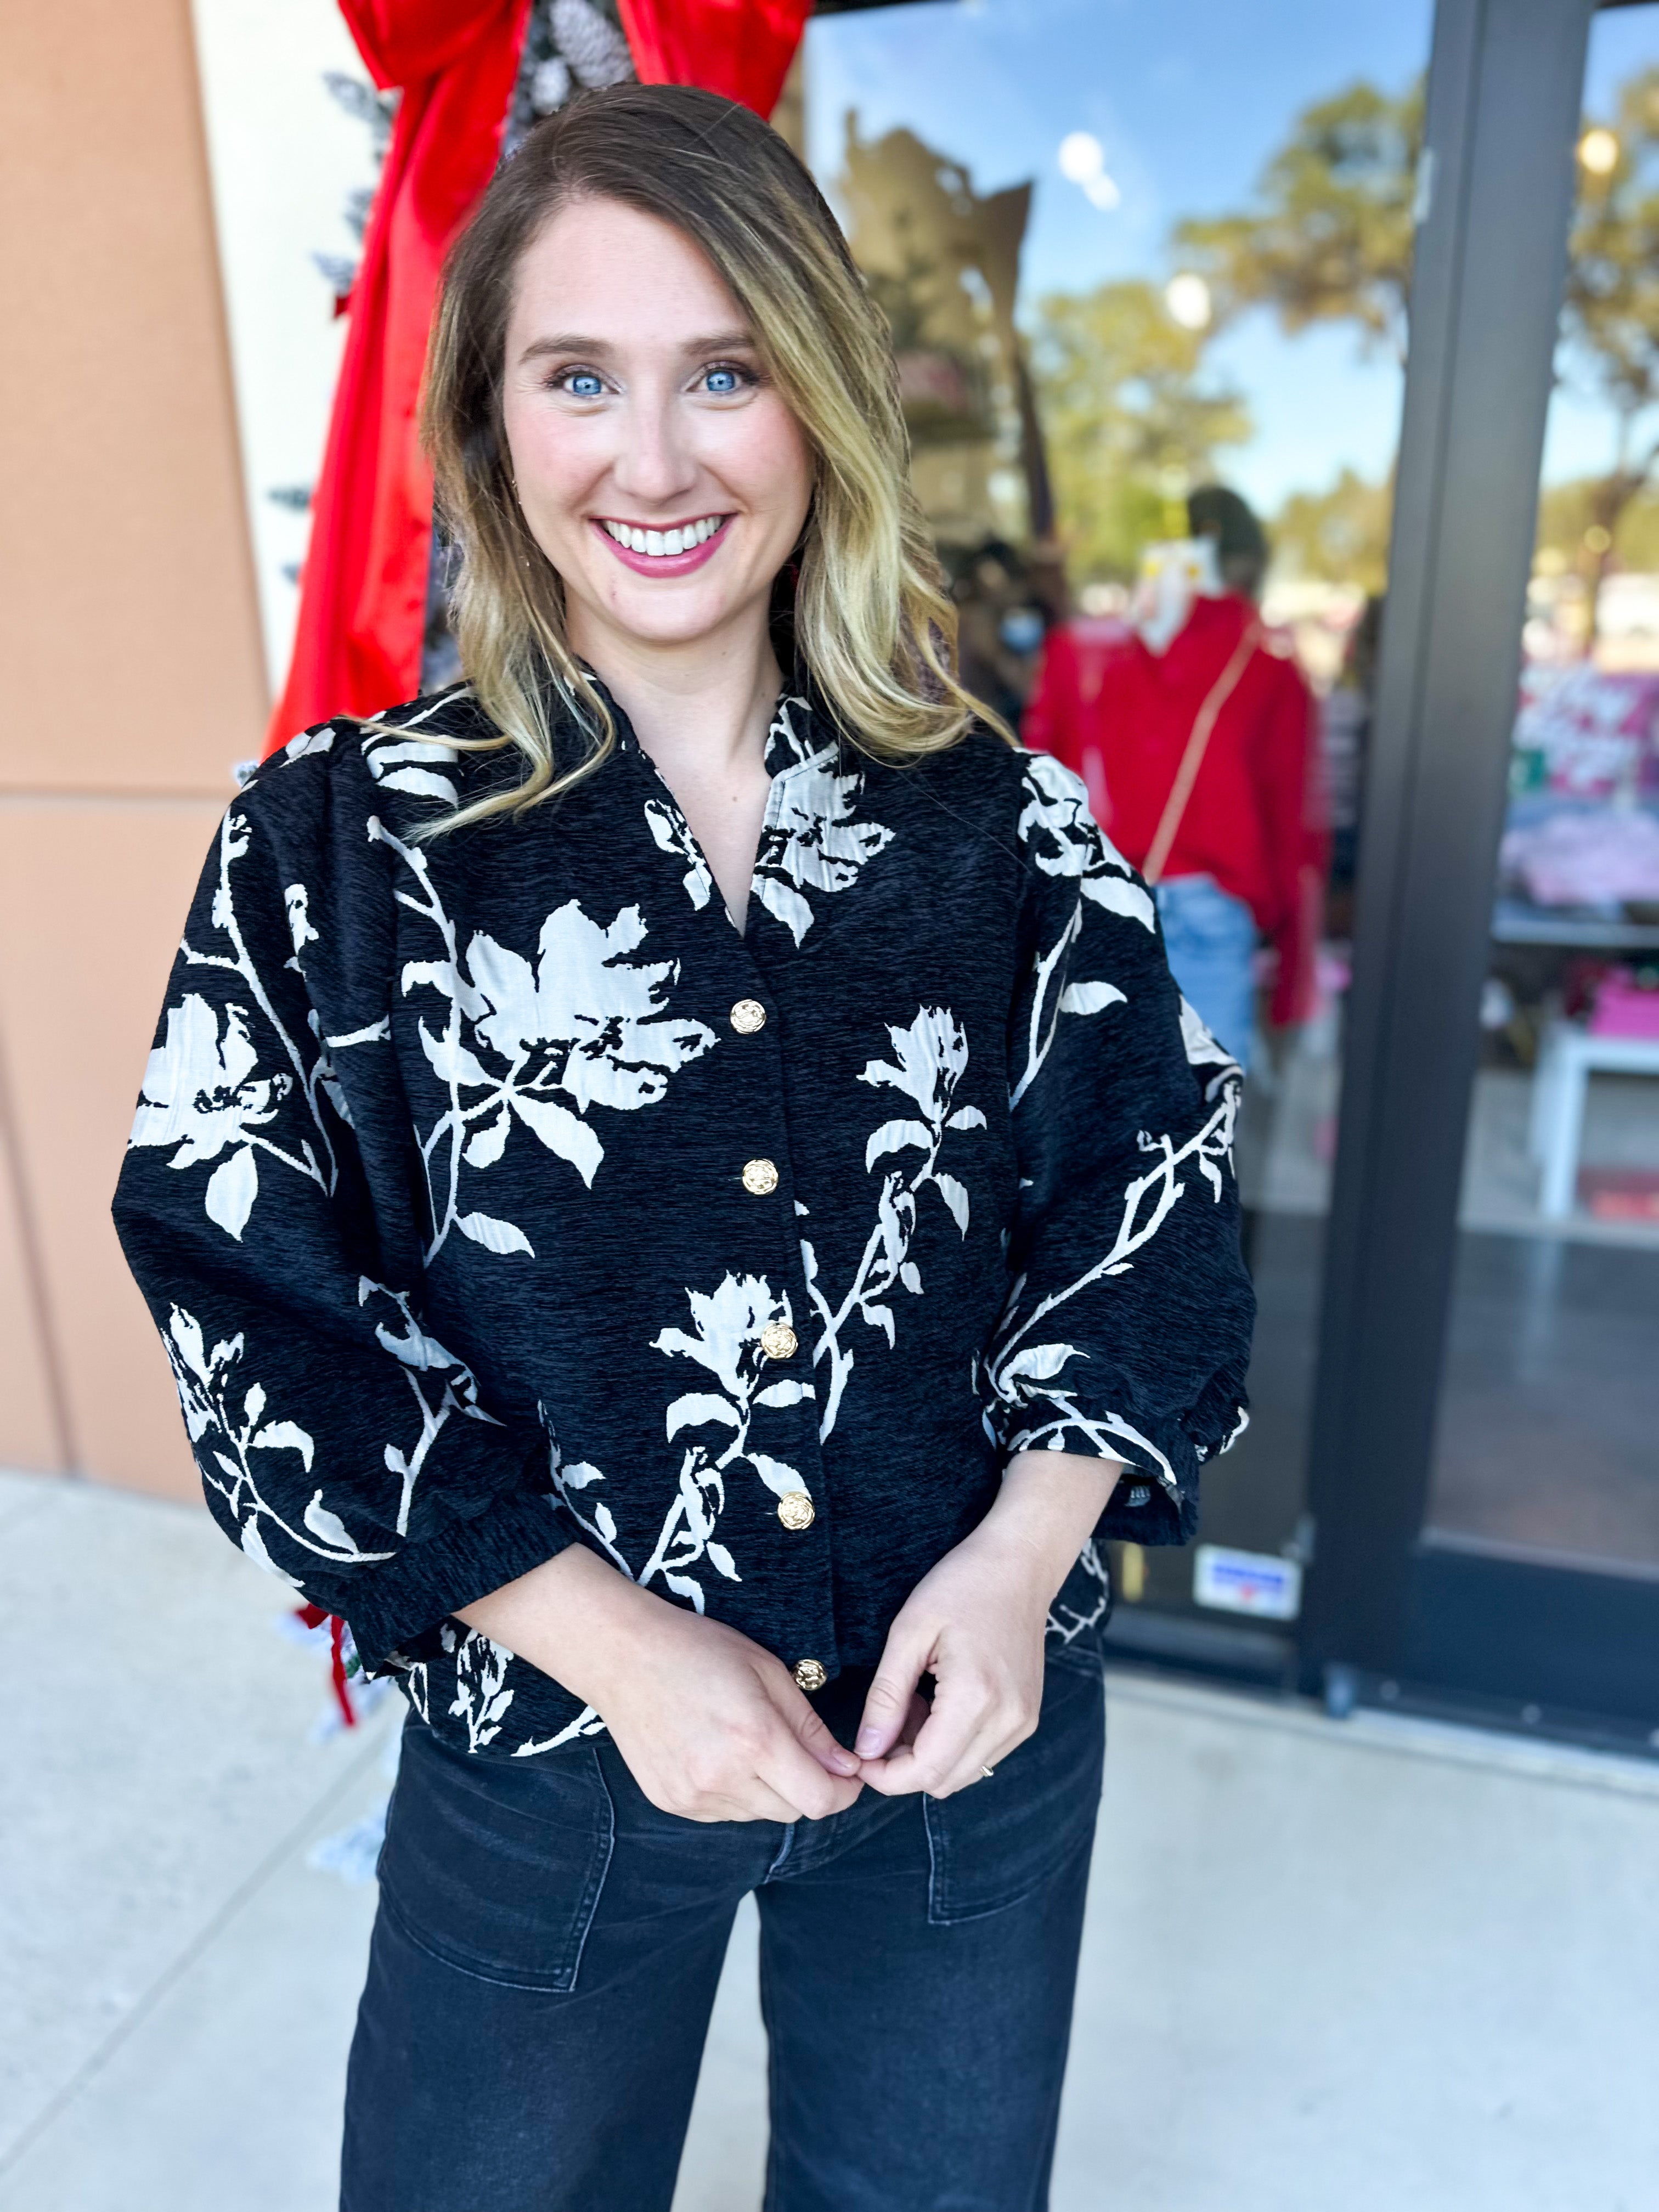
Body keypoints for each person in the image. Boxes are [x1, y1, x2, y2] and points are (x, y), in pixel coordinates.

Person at [114, 85, 1255, 2212]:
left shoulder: (1004, 830)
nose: (654, 459)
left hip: (965, 1761)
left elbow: (1157, 1197)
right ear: (491, 426)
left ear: (814, 402)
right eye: (581, 378)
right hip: (551, 1767)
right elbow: (246, 1302)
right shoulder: (331, 852)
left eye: (722, 371)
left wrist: (1022, 1563)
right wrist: (617, 1645)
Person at [1025, 486, 1327, 1067]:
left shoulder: (1087, 654)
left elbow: (1043, 794)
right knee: (1201, 1122)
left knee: (1101, 1124)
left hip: (1100, 899)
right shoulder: (1267, 667)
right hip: (1211, 907)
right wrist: (1293, 969)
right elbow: (1290, 824)